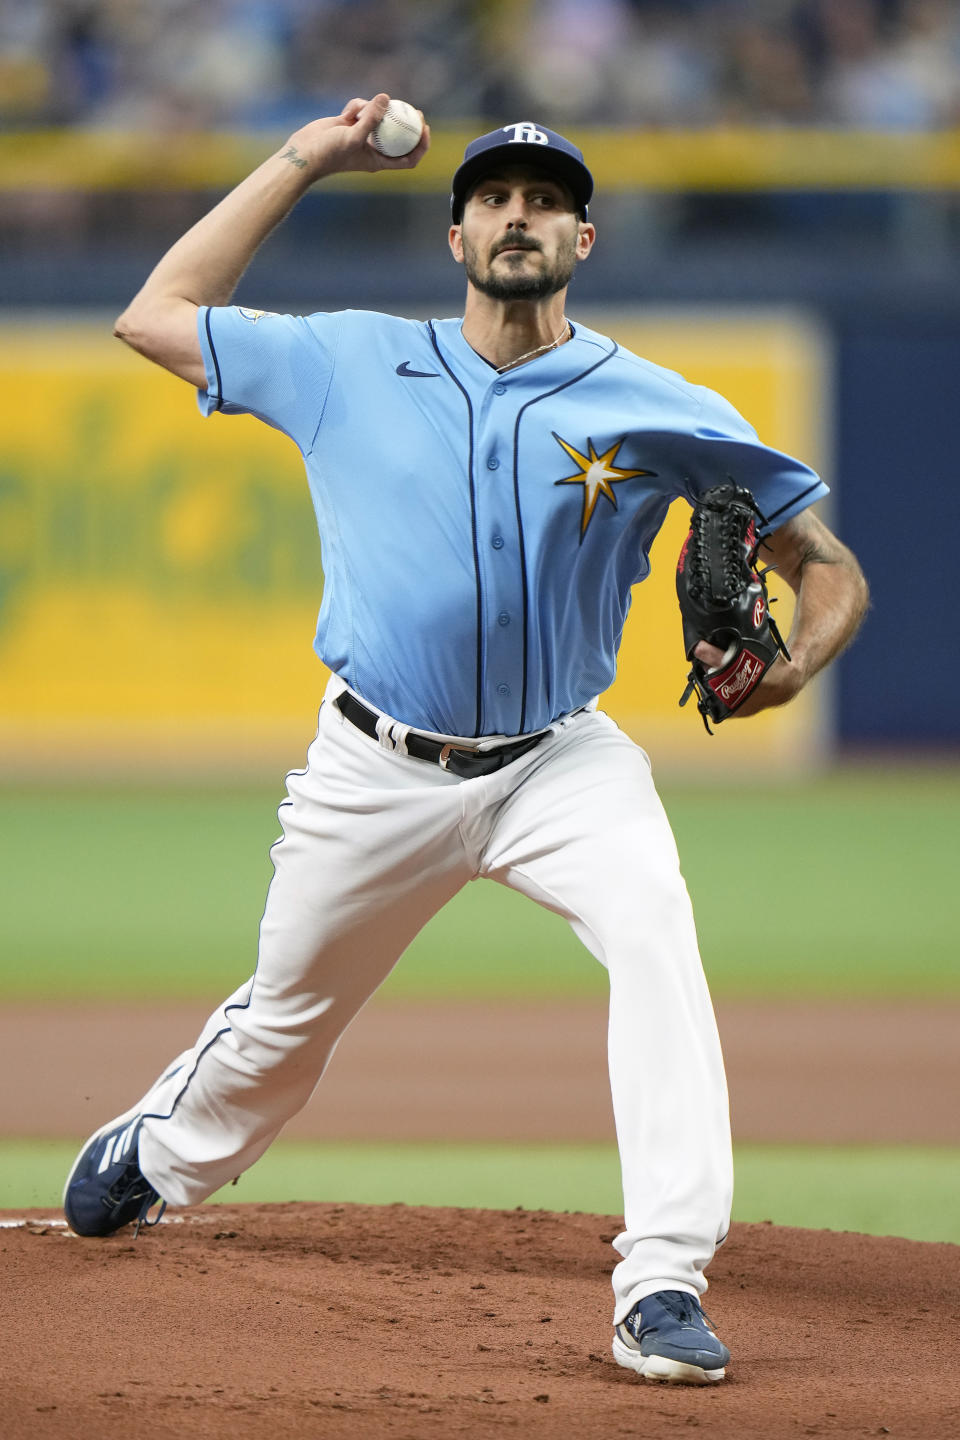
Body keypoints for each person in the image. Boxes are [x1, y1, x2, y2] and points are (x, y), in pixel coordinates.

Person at [62, 96, 868, 1385]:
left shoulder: (659, 401)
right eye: (494, 197)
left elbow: (825, 568)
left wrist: (790, 668)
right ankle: (161, 1155)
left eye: (545, 200)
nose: (518, 215)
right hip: (375, 765)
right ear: (456, 236)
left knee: (656, 933)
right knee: (285, 1023)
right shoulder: (346, 359)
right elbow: (153, 313)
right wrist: (308, 158)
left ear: (585, 239)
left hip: (563, 761)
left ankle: (661, 1278)